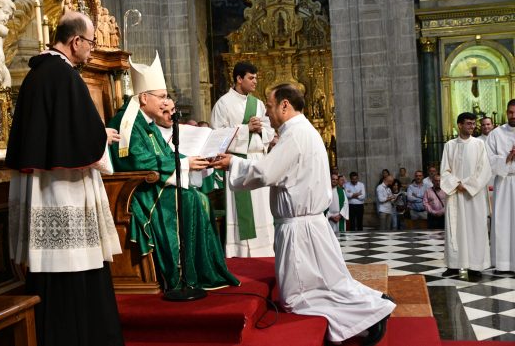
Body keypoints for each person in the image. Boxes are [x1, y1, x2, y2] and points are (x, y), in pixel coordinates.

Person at [212, 84, 395, 345]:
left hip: (300, 228)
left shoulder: (295, 135)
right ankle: (373, 304)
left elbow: (266, 172)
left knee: (299, 298)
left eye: (270, 105)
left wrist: (234, 163)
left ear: (285, 105)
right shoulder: (302, 131)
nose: (266, 111)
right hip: (308, 225)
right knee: (329, 284)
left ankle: (371, 314)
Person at [6, 11, 124, 346]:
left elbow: (56, 134)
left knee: (49, 269)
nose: (90, 50)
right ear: (75, 42)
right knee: (76, 265)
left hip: (41, 190)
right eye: (90, 43)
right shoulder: (65, 76)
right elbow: (81, 138)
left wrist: (93, 134)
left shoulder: (36, 75)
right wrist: (102, 137)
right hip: (64, 193)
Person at [108, 51, 239, 291]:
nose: (166, 102)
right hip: (139, 192)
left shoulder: (144, 120)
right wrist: (185, 164)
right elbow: (137, 161)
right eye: (162, 97)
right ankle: (183, 274)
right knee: (190, 199)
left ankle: (202, 270)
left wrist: (191, 159)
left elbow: (166, 155)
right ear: (144, 97)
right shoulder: (126, 123)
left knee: (198, 198)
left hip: (153, 184)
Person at [210, 61, 276, 257]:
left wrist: (261, 129)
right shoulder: (223, 103)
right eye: (251, 77)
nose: (255, 81)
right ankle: (239, 250)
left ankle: (264, 248)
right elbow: (217, 136)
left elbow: (270, 131)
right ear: (239, 79)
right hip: (236, 162)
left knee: (261, 208)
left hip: (257, 160)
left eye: (256, 77)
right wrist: (246, 128)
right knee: (243, 213)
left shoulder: (258, 104)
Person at [440, 112, 492, 278]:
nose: (472, 126)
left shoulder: (479, 144)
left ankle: (475, 266)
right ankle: (454, 265)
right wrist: (456, 183)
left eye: (473, 123)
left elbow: (484, 169)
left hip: (473, 196)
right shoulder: (449, 145)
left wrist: (468, 185)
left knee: (475, 229)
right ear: (459, 125)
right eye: (468, 123)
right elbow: (445, 170)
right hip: (455, 194)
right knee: (455, 230)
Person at [485, 99, 515, 273]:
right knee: (503, 222)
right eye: (510, 112)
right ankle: (503, 263)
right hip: (504, 183)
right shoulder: (496, 133)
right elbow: (488, 158)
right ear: (506, 112)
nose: (513, 116)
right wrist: (507, 159)